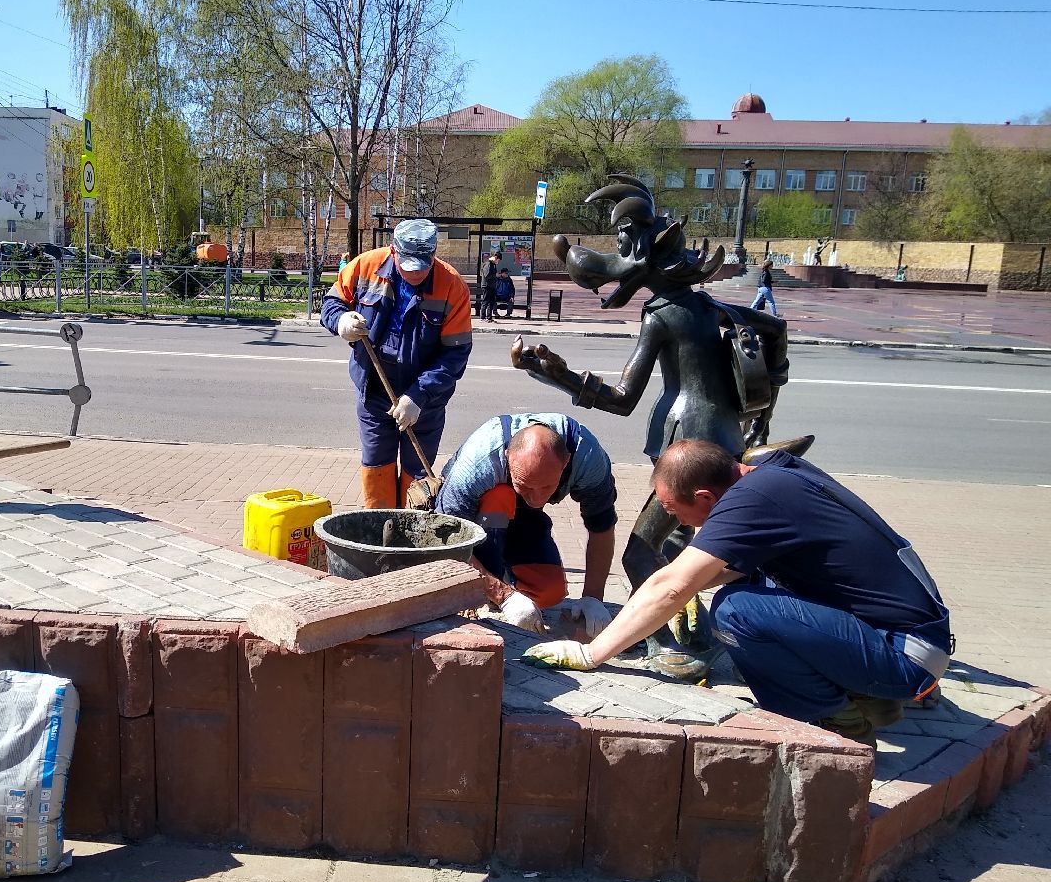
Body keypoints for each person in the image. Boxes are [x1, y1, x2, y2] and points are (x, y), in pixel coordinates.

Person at [524, 439, 952, 745]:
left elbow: (670, 585)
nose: (679, 523)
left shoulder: (751, 502)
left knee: (737, 612)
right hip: (902, 637)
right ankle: (865, 696)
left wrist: (592, 654)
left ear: (705, 497)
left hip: (905, 656)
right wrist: (680, 589)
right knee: (748, 584)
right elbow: (702, 576)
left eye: (674, 511)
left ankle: (838, 726)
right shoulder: (771, 476)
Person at [321, 218, 473, 508]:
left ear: (434, 254)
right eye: (408, 266)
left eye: (423, 266)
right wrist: (341, 320)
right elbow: (332, 303)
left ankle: (410, 531)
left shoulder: (452, 287)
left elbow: (455, 355)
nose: (415, 273)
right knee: (376, 466)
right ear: (393, 251)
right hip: (374, 392)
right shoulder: (366, 266)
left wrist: (418, 396)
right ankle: (380, 527)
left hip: (424, 405)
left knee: (418, 478)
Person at [435, 415, 617, 636]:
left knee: (549, 592)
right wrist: (503, 595)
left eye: (547, 487)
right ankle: (486, 589)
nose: (537, 498)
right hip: (474, 521)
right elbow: (446, 540)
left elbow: (601, 526)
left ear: (566, 461)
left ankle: (503, 578)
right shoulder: (479, 462)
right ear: (507, 456)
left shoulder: (588, 460)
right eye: (526, 486)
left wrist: (593, 598)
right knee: (499, 497)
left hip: (523, 516)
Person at [480, 251, 500, 321]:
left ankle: (489, 317)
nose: (498, 262)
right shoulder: (488, 264)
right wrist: (495, 275)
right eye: (498, 260)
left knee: (491, 302)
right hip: (487, 286)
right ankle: (482, 317)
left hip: (492, 286)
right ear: (495, 258)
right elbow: (487, 275)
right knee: (485, 301)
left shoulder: (493, 264)